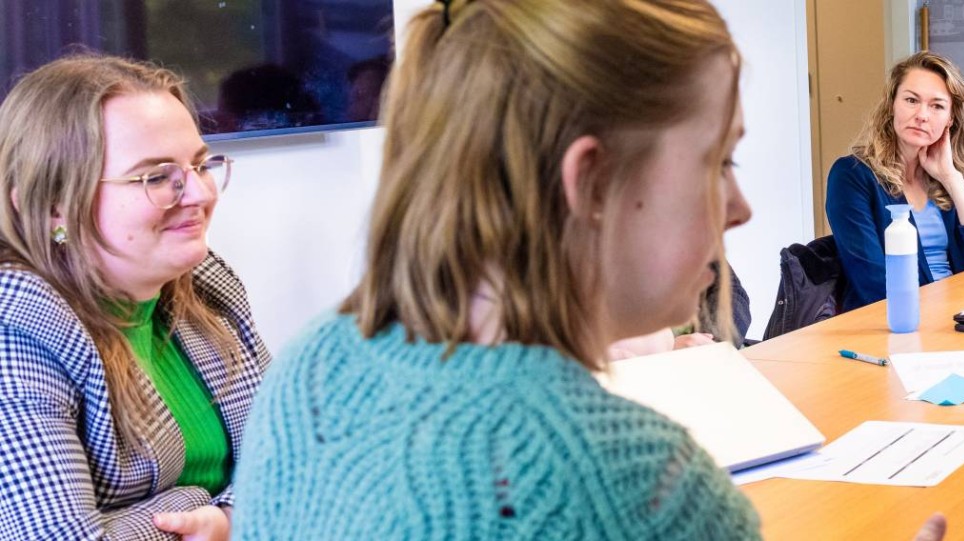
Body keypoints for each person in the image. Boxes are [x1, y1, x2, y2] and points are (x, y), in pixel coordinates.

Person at [226, 0, 778, 537]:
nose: (739, 207)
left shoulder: (313, 365)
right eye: (719, 162)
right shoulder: (644, 488)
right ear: (591, 182)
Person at [0, 55, 270, 540]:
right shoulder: (14, 328)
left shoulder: (204, 282)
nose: (199, 194)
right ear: (52, 205)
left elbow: (300, 457)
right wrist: (191, 504)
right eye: (154, 176)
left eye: (200, 164)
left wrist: (227, 518)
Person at [826, 52, 964, 311]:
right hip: (897, 323)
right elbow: (874, 284)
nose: (922, 115)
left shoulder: (951, 175)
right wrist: (945, 311)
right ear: (892, 105)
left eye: (937, 106)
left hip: (959, 315)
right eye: (911, 100)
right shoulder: (852, 175)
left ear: (951, 119)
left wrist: (950, 177)